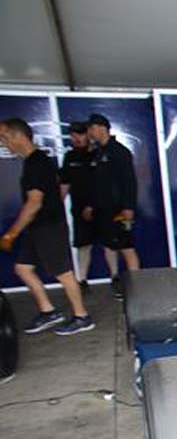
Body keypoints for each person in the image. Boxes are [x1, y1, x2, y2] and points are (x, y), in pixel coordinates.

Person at [0, 118, 94, 335]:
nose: (4, 143)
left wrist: (11, 234)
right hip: (36, 227)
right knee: (23, 268)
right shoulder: (33, 161)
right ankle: (48, 311)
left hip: (49, 226)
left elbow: (34, 203)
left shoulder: (37, 164)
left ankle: (82, 317)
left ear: (18, 136)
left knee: (63, 273)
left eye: (4, 138)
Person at [87, 113, 140, 298]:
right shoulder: (98, 152)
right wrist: (92, 205)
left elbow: (129, 181)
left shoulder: (119, 151)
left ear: (102, 128)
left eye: (92, 128)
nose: (90, 132)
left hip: (119, 209)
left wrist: (128, 206)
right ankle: (115, 278)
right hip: (103, 209)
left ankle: (136, 285)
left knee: (126, 246)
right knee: (108, 245)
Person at [60, 121, 95, 291]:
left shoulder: (99, 154)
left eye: (80, 134)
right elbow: (64, 183)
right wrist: (58, 204)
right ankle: (82, 280)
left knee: (111, 245)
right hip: (79, 208)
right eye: (73, 135)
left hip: (103, 205)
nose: (77, 138)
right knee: (83, 244)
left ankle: (114, 276)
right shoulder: (70, 157)